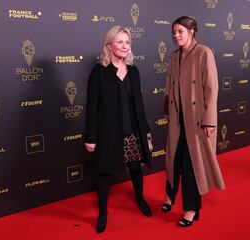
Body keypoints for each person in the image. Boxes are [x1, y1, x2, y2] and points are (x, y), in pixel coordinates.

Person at [84, 26, 153, 233]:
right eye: (120, 42)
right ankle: (103, 212)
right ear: (109, 45)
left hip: (132, 129)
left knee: (135, 167)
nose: (125, 46)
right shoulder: (99, 72)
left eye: (127, 42)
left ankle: (140, 199)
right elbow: (92, 107)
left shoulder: (133, 71)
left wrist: (146, 130)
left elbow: (139, 103)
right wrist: (91, 137)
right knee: (104, 171)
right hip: (107, 131)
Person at [162, 16, 225, 227]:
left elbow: (211, 88)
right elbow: (169, 84)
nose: (176, 36)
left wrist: (209, 121)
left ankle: (191, 209)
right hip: (177, 118)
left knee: (191, 165)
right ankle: (170, 196)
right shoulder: (174, 56)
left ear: (192, 31)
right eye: (174, 32)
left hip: (196, 120)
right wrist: (167, 108)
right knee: (174, 159)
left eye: (180, 31)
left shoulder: (203, 53)